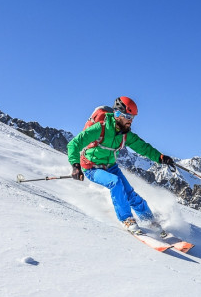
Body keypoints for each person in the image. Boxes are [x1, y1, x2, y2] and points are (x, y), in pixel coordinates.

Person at [67, 96, 175, 236]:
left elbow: (143, 147)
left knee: (129, 193)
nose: (130, 120)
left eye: (132, 117)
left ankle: (149, 220)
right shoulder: (100, 129)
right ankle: (127, 220)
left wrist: (160, 158)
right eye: (128, 117)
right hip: (92, 167)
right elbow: (74, 144)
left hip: (111, 166)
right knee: (115, 182)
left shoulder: (125, 134)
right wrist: (76, 166)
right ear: (118, 114)